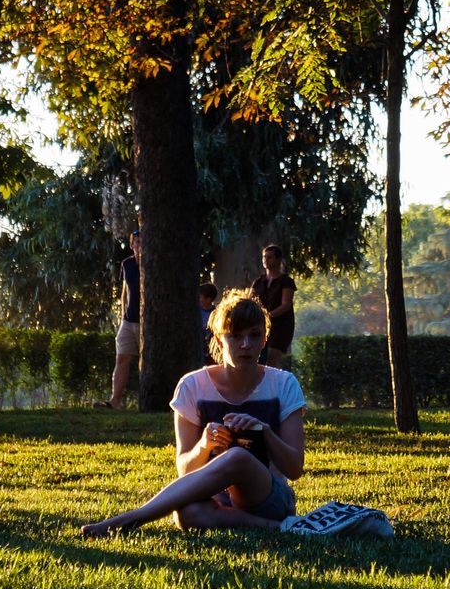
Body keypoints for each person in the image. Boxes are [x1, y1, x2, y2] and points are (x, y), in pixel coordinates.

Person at [82, 290, 306, 537]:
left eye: (254, 336)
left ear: (264, 340)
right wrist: (204, 445)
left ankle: (130, 519)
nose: (246, 345)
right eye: (235, 336)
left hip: (270, 498)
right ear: (220, 341)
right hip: (216, 498)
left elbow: (294, 468)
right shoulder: (193, 386)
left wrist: (264, 432)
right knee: (188, 514)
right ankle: (279, 529)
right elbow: (185, 470)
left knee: (238, 458)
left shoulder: (284, 384)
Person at [105, 228, 141, 409]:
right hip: (128, 321)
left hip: (147, 322)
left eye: (142, 242)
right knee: (121, 359)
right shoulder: (126, 264)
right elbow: (124, 291)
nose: (139, 246)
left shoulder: (153, 264)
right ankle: (115, 401)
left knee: (147, 362)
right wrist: (122, 316)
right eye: (137, 242)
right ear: (132, 244)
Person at [250, 243, 296, 367]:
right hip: (261, 325)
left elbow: (286, 304)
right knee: (258, 359)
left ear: (278, 259)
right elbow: (250, 301)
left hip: (280, 326)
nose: (266, 260)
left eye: (269, 257)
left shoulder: (286, 281)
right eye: (264, 257)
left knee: (272, 359)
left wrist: (268, 315)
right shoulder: (258, 282)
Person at [199, 281, 218, 358]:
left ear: (209, 299)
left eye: (200, 297)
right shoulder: (195, 311)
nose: (199, 299)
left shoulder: (216, 313)